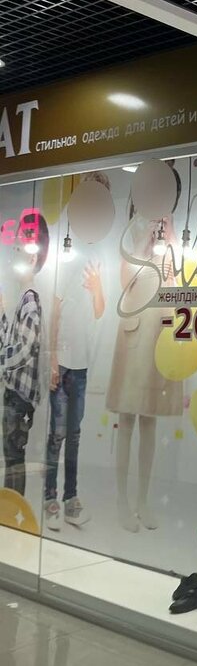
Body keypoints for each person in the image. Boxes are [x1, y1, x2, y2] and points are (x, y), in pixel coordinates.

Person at [106, 166, 183, 532]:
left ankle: (142, 501)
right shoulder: (133, 228)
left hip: (158, 334)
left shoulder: (171, 229)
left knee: (149, 419)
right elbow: (124, 281)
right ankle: (122, 501)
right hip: (134, 330)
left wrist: (171, 237)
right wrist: (143, 247)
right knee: (127, 419)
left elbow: (180, 281)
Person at [44, 172, 109, 530]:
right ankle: (50, 497)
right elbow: (55, 312)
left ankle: (71, 497)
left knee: (74, 436)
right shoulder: (67, 255)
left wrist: (98, 287)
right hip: (64, 363)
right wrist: (53, 359)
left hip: (81, 367)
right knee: (57, 433)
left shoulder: (97, 257)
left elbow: (100, 310)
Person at [1, 210, 49, 495]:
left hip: (19, 397)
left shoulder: (30, 301)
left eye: (20, 249)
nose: (14, 254)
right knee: (11, 457)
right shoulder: (22, 299)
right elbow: (11, 343)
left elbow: (24, 349)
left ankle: (13, 508)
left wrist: (2, 363)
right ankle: (10, 507)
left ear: (32, 258)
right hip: (14, 394)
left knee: (14, 458)